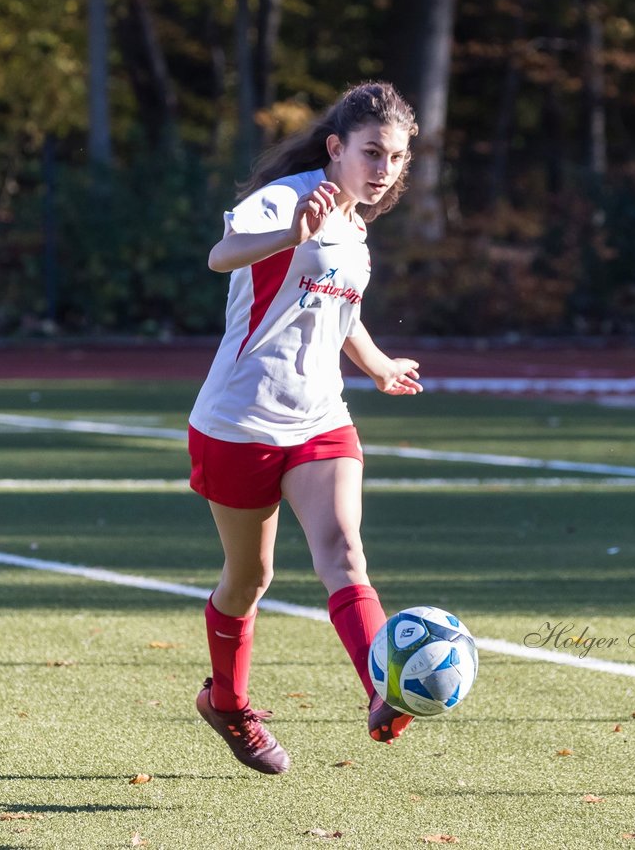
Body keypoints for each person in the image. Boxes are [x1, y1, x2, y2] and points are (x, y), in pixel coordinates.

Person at [188, 81, 423, 775]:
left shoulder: (356, 228)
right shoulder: (289, 198)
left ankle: (385, 689)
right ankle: (226, 704)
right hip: (238, 422)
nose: (384, 169)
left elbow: (338, 313)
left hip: (321, 419)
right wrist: (288, 235)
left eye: (397, 158)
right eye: (372, 152)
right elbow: (221, 255)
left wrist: (377, 366)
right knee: (248, 579)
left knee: (344, 553)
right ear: (336, 148)